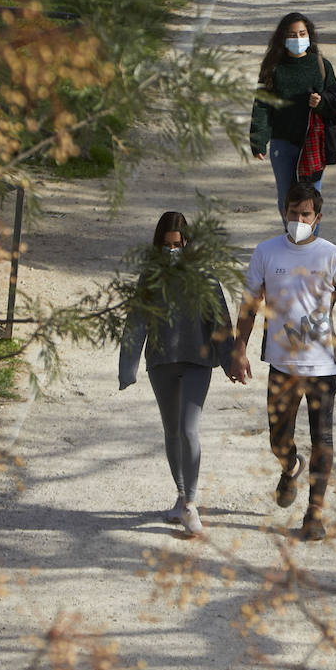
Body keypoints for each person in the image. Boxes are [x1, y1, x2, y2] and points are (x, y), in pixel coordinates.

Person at [227, 184, 336, 542]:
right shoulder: (266, 252)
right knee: (278, 439)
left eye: (306, 214)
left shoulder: (334, 256)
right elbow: (249, 304)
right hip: (281, 365)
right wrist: (238, 347)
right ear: (284, 212)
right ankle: (289, 466)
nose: (298, 220)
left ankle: (314, 514)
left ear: (318, 219)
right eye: (293, 212)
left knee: (323, 440)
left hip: (321, 368)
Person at [118, 211, 235, 538]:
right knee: (171, 431)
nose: (173, 250)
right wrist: (127, 367)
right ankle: (181, 496)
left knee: (188, 430)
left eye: (178, 244)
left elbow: (220, 322)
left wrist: (231, 362)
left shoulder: (205, 278)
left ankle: (191, 504)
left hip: (197, 363)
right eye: (167, 245)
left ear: (187, 243)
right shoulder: (150, 278)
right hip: (162, 362)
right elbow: (136, 321)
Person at [249, 12, 336, 221]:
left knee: (310, 198)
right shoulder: (273, 68)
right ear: (283, 38)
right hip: (282, 143)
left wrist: (320, 104)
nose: (298, 39)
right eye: (292, 35)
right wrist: (258, 139)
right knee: (286, 197)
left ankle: (310, 243)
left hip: (313, 143)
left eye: (302, 33)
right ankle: (291, 239)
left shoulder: (321, 65)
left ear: (309, 35)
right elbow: (262, 106)